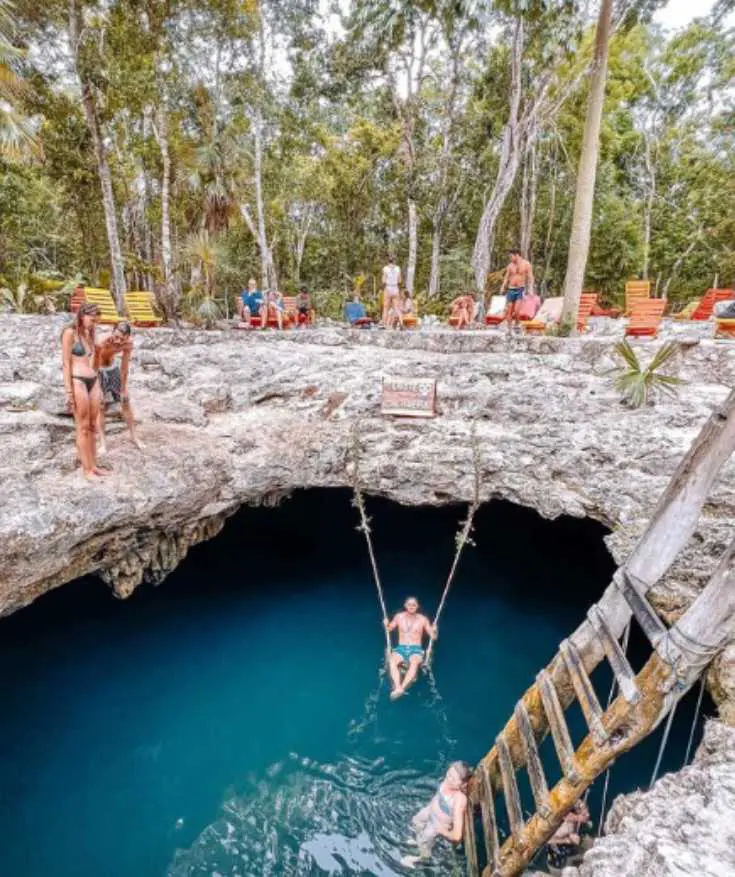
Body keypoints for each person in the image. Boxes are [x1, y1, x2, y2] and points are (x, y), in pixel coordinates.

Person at [61, 303, 108, 481]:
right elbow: (66, 363)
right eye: (91, 318)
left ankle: (94, 465)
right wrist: (68, 391)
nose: (93, 322)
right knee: (82, 427)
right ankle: (86, 470)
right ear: (81, 315)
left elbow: (94, 364)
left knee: (93, 426)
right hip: (77, 380)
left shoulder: (90, 334)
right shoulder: (69, 333)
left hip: (93, 380)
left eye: (96, 319)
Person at [401, 762, 472, 868]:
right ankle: (417, 840)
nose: (449, 779)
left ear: (462, 784)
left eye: (453, 779)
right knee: (416, 821)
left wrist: (442, 831)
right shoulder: (447, 782)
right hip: (430, 811)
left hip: (438, 824)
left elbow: (457, 836)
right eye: (449, 774)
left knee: (425, 842)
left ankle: (420, 859)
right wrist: (429, 807)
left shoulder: (459, 800)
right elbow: (437, 796)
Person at [94, 321, 143, 452]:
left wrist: (122, 389)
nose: (117, 341)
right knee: (100, 405)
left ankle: (134, 437)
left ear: (127, 338)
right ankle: (103, 443)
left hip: (112, 368)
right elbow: (93, 365)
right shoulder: (102, 340)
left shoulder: (128, 344)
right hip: (98, 369)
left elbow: (124, 367)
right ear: (112, 331)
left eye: (122, 339)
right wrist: (98, 388)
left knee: (125, 401)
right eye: (116, 336)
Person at [384, 596, 437, 700]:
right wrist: (386, 624)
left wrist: (434, 630)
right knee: (392, 660)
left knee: (414, 662)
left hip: (415, 649)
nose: (411, 606)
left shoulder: (423, 619)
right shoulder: (398, 617)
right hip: (401, 648)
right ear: (405, 606)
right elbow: (390, 629)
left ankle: (401, 688)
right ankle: (398, 686)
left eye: (414, 605)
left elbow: (433, 637)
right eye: (409, 604)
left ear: (417, 606)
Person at [546, 798, 593, 874]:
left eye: (586, 808)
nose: (587, 813)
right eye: (580, 809)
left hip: (571, 855)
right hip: (559, 865)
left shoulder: (577, 821)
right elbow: (548, 840)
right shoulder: (565, 824)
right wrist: (567, 840)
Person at [500, 249, 535, 334]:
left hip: (520, 289)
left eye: (511, 256)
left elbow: (530, 277)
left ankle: (517, 324)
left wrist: (531, 289)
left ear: (517, 255)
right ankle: (509, 329)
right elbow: (506, 277)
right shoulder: (510, 266)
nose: (510, 258)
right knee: (509, 309)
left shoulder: (526, 264)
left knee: (517, 310)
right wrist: (502, 286)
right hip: (511, 289)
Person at [381, 256, 402, 325]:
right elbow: (399, 281)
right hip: (395, 288)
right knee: (396, 307)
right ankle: (401, 323)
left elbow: (383, 281)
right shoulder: (398, 268)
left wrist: (382, 288)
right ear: (394, 261)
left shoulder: (385, 268)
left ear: (388, 261)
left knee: (386, 307)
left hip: (388, 288)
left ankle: (384, 323)